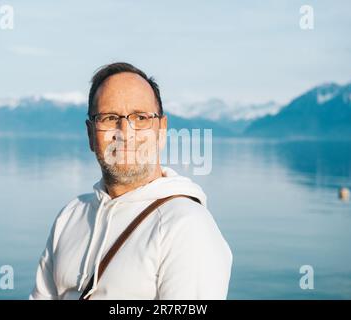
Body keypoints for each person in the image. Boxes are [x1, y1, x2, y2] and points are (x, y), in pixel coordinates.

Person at [29, 62, 233, 300]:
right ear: (90, 134)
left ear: (161, 129)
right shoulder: (71, 215)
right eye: (109, 117)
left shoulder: (187, 225)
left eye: (140, 117)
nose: (125, 133)